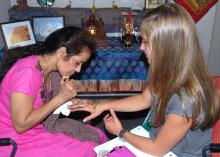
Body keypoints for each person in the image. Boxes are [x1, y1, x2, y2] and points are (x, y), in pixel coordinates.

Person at [69, 4, 220, 157]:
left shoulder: (185, 99)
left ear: (166, 47)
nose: (141, 47)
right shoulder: (167, 72)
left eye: (146, 42)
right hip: (159, 141)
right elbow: (145, 98)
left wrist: (121, 132)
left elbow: (157, 149)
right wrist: (101, 106)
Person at [0, 26, 107, 157]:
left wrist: (71, 102)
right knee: (90, 150)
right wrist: (61, 98)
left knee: (99, 137)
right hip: (13, 139)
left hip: (36, 129)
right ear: (62, 52)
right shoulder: (26, 73)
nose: (78, 70)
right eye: (77, 63)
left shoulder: (51, 72)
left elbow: (46, 104)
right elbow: (20, 125)